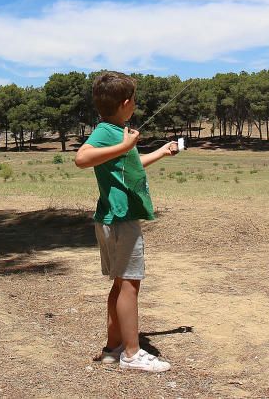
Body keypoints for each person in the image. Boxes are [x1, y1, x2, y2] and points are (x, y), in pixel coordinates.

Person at [74, 71, 179, 373]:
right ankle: (132, 354)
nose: (136, 103)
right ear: (125, 102)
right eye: (134, 98)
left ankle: (113, 348)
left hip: (111, 219)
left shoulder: (115, 130)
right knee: (130, 285)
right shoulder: (107, 131)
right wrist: (123, 145)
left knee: (120, 284)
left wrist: (160, 151)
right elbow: (82, 159)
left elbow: (127, 165)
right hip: (120, 220)